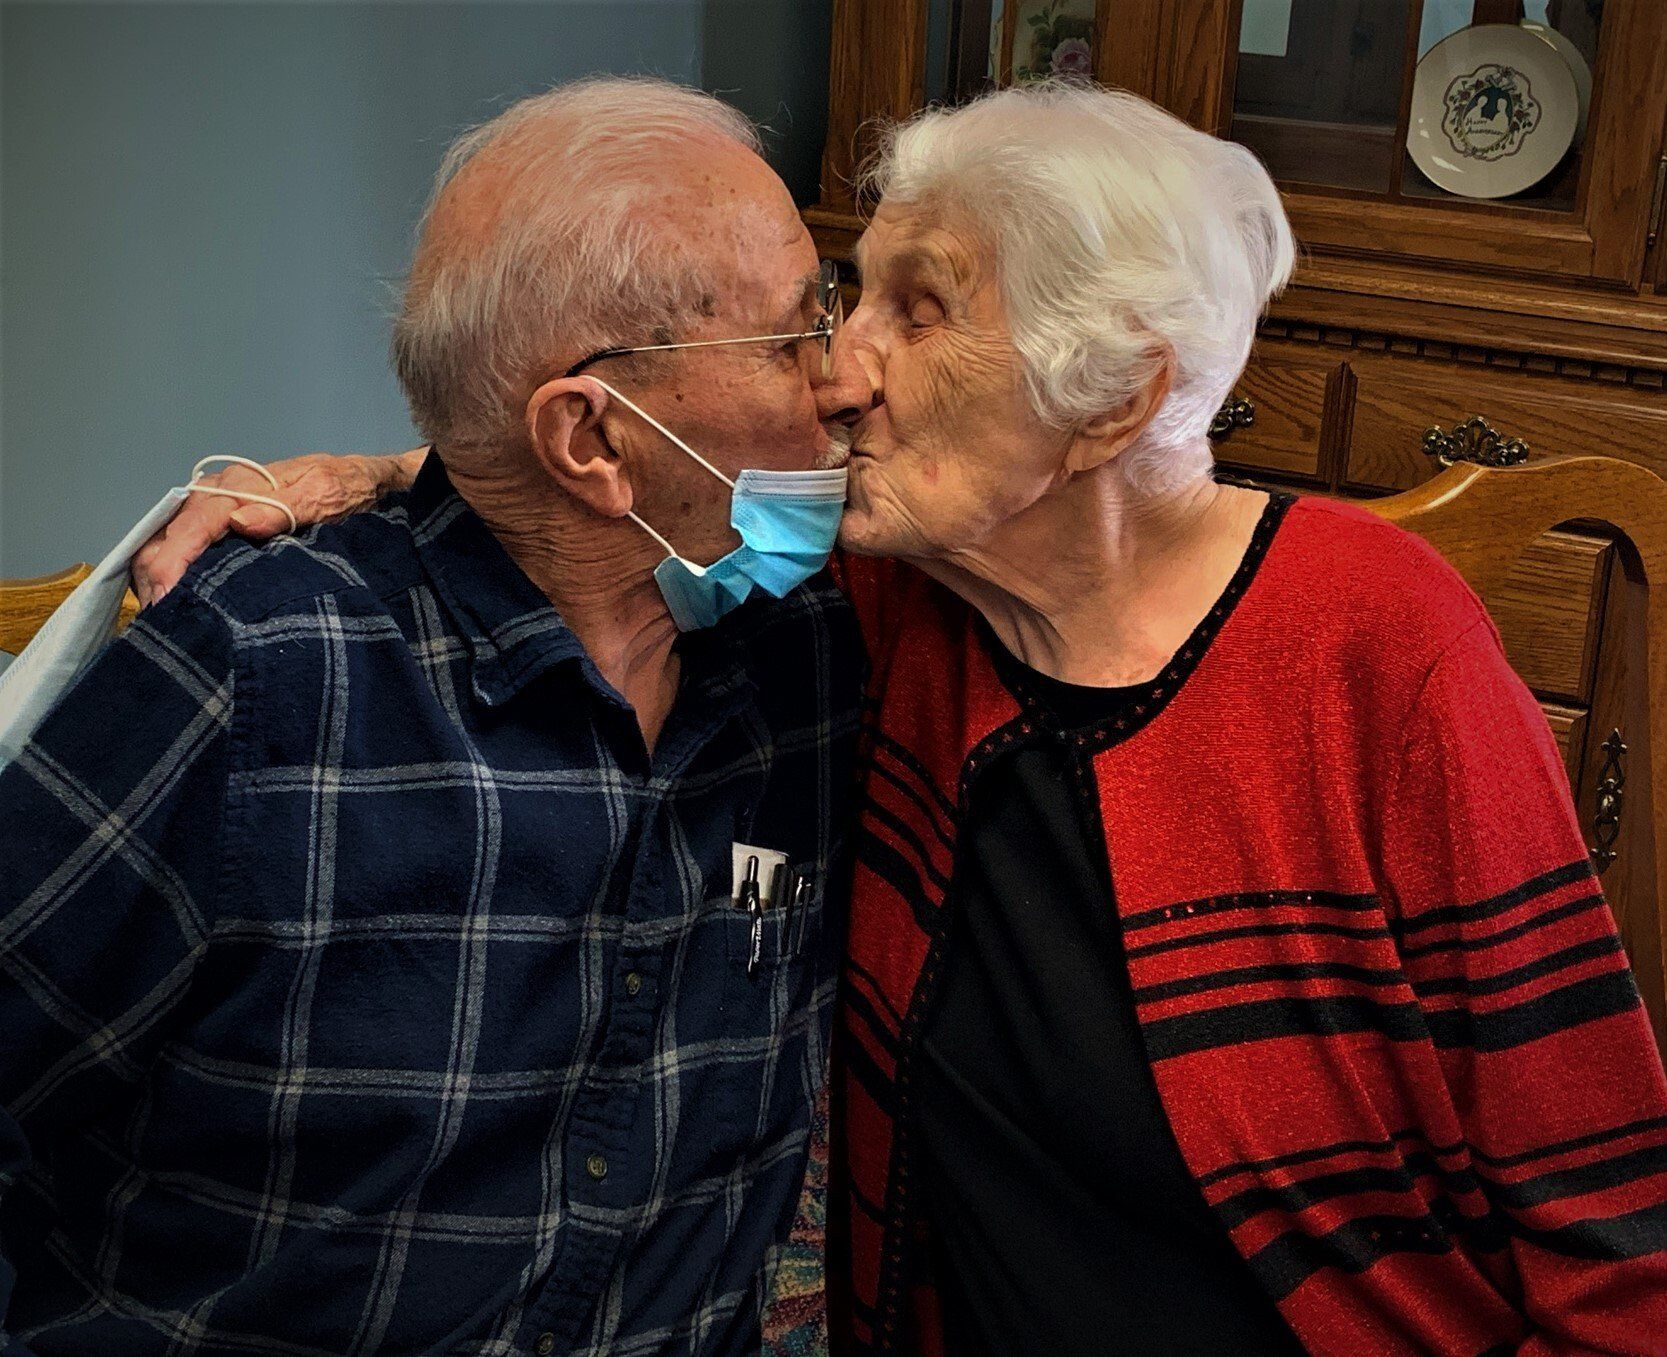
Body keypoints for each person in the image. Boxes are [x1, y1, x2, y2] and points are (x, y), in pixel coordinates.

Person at [121, 83, 1667, 1356]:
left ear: (1112, 398)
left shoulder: (1371, 643)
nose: (837, 372)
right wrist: (356, 477)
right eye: (846, 292)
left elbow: (1608, 1234)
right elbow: (592, 467)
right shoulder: (880, 598)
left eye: (916, 314)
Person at [0, 76, 873, 1357]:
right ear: (595, 441)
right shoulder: (264, 673)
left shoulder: (808, 647)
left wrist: (387, 466)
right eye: (797, 334)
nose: (844, 378)